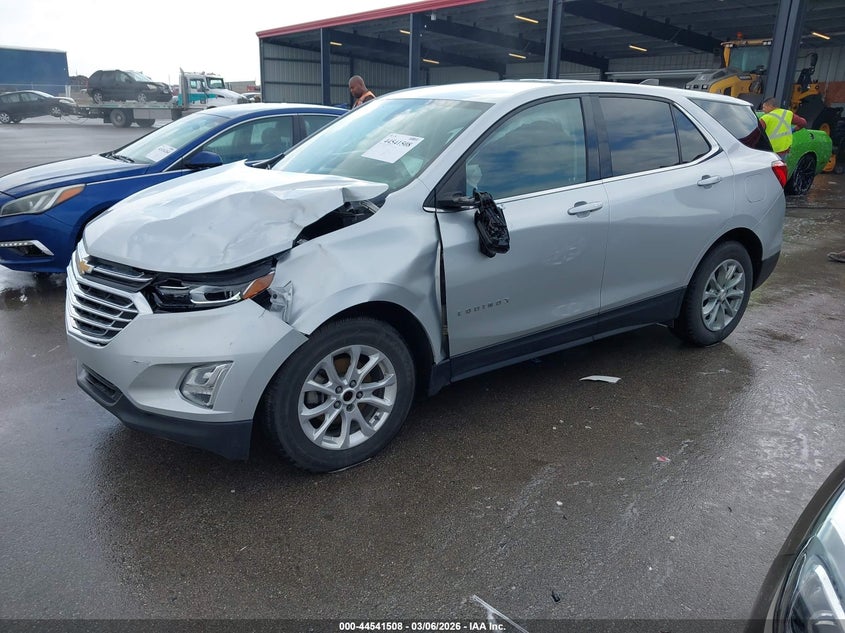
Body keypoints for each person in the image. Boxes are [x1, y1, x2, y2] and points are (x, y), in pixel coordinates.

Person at [760, 97, 807, 162]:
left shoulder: (765, 118)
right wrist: (793, 129)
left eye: (764, 107)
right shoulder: (788, 113)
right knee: (781, 168)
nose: (763, 110)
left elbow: (757, 134)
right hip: (784, 151)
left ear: (770, 106)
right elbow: (803, 123)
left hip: (769, 152)